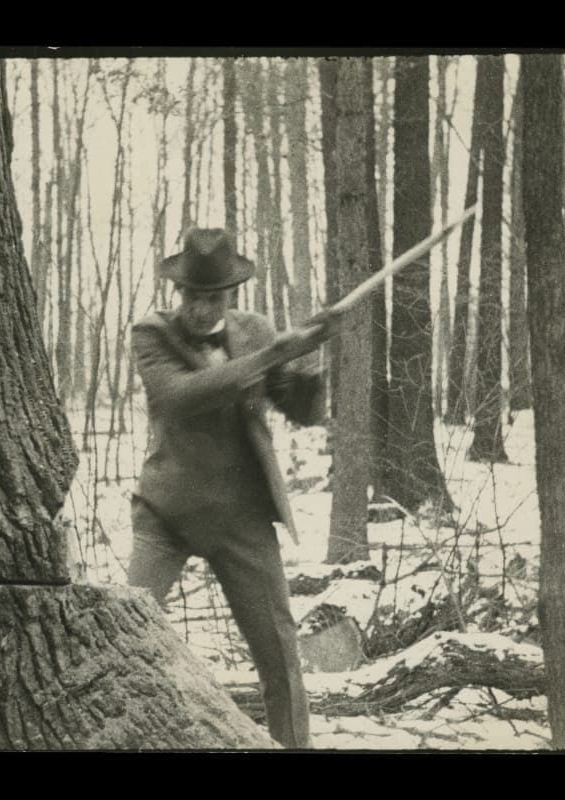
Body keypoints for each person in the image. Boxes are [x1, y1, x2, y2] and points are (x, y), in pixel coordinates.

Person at [128, 227, 327, 749]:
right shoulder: (150, 334)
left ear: (230, 294)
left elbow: (301, 411)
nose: (201, 308)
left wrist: (309, 359)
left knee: (280, 658)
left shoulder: (256, 331)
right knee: (124, 635)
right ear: (179, 293)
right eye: (193, 296)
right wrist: (269, 357)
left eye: (213, 297)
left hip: (241, 516)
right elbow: (183, 397)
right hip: (166, 515)